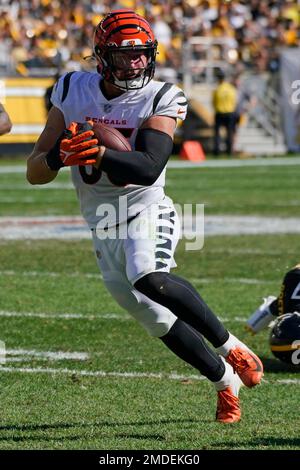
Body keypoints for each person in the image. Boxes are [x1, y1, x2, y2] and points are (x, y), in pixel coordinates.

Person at [26, 9, 263, 423]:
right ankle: (225, 382)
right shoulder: (70, 88)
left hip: (145, 210)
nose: (136, 62)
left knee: (148, 276)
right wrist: (58, 155)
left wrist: (99, 152)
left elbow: (150, 165)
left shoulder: (162, 95)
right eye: (125, 54)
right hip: (100, 222)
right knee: (152, 317)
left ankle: (233, 348)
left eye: (142, 54)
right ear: (102, 56)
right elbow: (34, 171)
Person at [246, 264, 300, 334]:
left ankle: (274, 307)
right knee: (288, 326)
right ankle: (272, 308)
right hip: (296, 276)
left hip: (295, 274)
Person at [212, 69, 237, 156]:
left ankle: (217, 151)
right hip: (230, 113)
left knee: (217, 134)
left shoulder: (217, 89)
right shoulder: (231, 88)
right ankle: (229, 151)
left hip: (219, 113)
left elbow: (214, 102)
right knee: (230, 133)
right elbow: (234, 101)